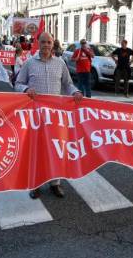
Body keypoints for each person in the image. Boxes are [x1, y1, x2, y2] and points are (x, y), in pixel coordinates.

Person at [15, 32, 83, 199]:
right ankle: (35, 184)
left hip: (55, 117)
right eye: (43, 42)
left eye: (49, 42)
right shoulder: (29, 63)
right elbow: (17, 83)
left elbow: (68, 84)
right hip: (36, 117)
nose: (46, 45)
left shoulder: (60, 63)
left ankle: (55, 183)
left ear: (53, 44)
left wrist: (76, 92)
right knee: (36, 151)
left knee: (55, 149)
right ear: (38, 43)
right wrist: (25, 89)